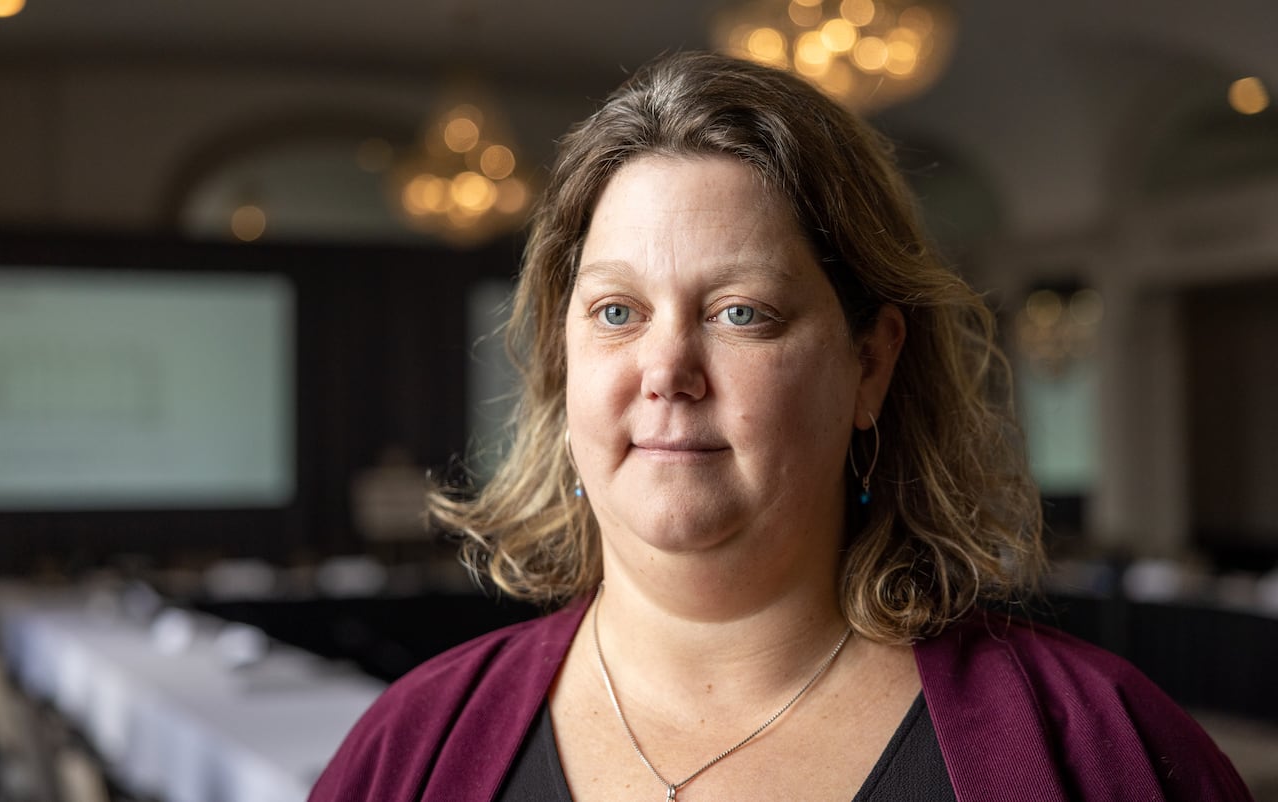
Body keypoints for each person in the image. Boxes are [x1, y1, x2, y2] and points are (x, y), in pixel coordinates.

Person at [310, 51, 1250, 801]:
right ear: (564, 365)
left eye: (740, 312)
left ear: (870, 364)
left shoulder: (1102, 754)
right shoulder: (412, 751)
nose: (666, 372)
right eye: (615, 313)